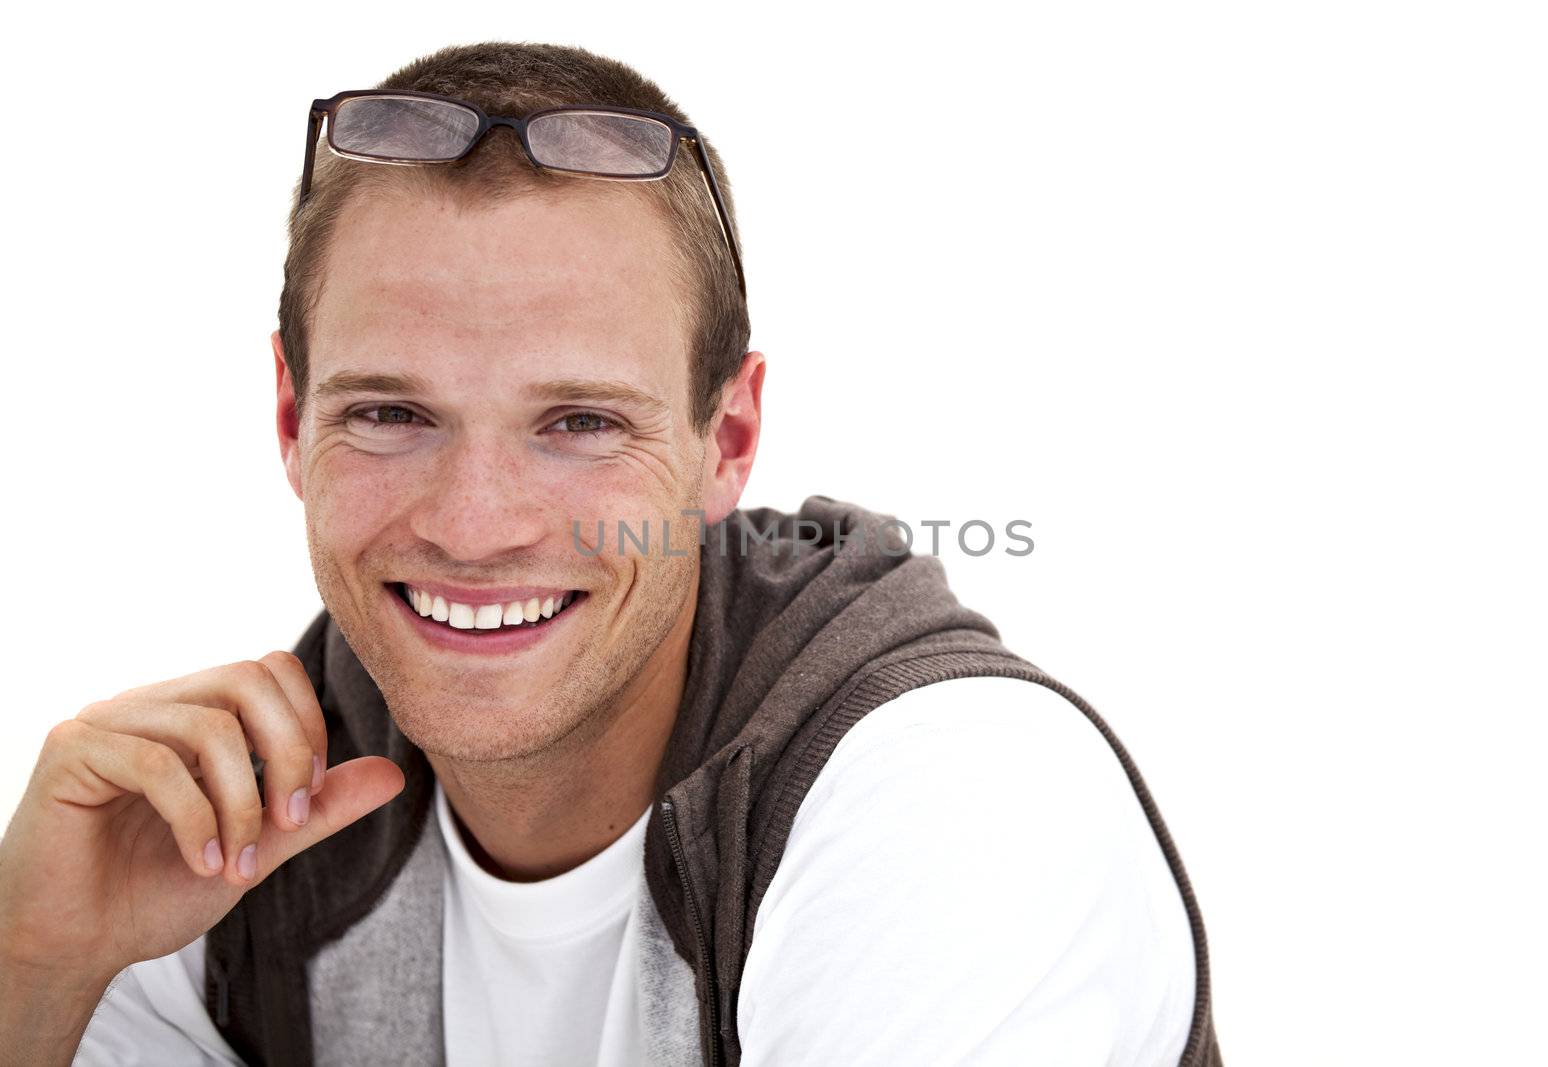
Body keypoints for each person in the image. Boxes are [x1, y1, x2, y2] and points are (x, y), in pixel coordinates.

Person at [0, 41, 1221, 1066]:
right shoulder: (212, 846)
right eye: (390, 413)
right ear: (290, 420)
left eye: (580, 423)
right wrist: (32, 968)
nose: (474, 523)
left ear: (725, 440)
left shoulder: (953, 797)